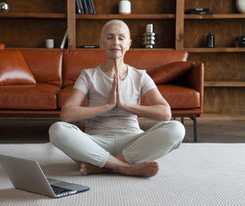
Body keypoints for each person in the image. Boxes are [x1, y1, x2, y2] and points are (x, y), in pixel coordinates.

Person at [49, 19, 185, 177]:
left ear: (129, 44)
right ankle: (125, 167)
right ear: (101, 42)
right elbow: (67, 114)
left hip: (132, 141)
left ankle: (104, 166)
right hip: (95, 143)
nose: (116, 42)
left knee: (176, 129)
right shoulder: (88, 75)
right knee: (57, 130)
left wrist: (125, 106)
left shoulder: (140, 75)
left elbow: (165, 113)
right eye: (110, 37)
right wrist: (107, 106)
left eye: (121, 38)